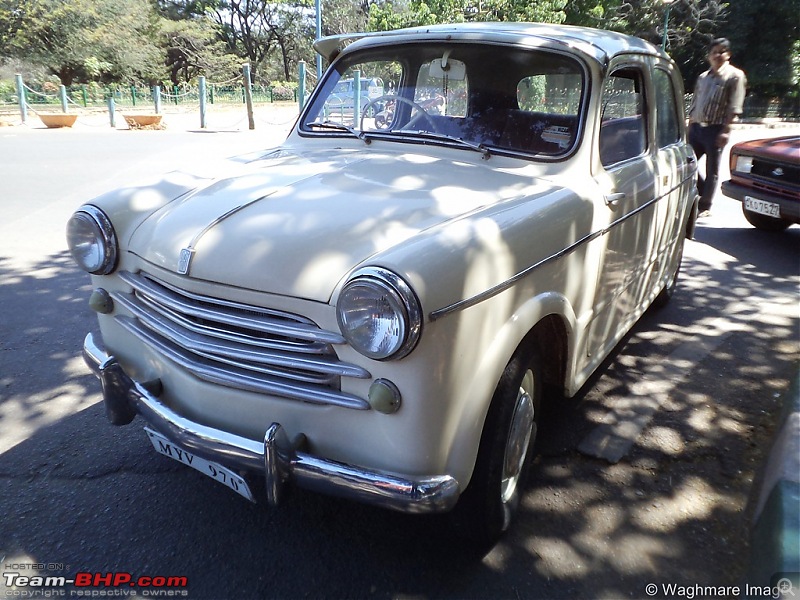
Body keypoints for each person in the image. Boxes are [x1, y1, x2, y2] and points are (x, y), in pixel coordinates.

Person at [688, 38, 747, 217]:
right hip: (697, 127)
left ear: (728, 54)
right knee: (687, 162)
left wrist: (726, 130)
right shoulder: (703, 77)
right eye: (714, 52)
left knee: (712, 168)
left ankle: (705, 206)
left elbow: (734, 106)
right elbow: (695, 102)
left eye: (721, 52)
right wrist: (689, 125)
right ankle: (703, 190)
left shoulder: (735, 76)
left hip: (716, 129)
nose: (717, 55)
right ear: (709, 56)